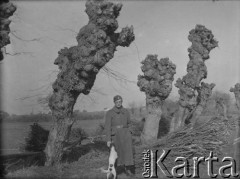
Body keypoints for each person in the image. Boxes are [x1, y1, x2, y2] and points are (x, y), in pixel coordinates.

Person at [104, 95, 135, 176]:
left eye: (120, 101)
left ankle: (128, 170)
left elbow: (129, 123)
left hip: (126, 135)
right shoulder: (109, 113)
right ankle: (113, 172)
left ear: (122, 102)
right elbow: (107, 127)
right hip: (115, 135)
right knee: (114, 153)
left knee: (127, 153)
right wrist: (108, 139)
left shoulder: (126, 111)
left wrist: (130, 132)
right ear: (114, 102)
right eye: (117, 102)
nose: (118, 103)